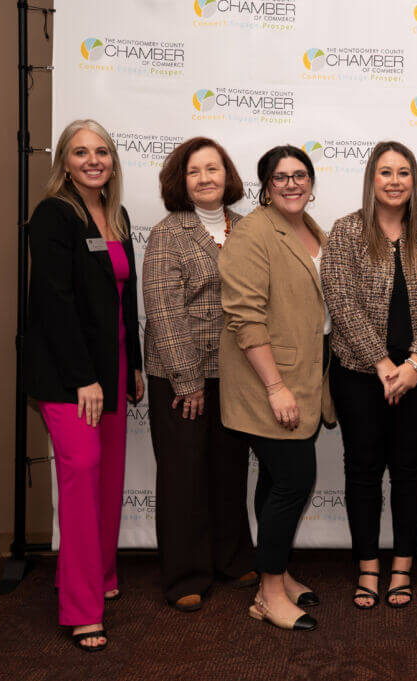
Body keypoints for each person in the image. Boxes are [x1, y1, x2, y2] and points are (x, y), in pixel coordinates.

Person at [24, 119, 144, 651]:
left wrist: (133, 364)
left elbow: (125, 299)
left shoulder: (116, 215)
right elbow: (55, 304)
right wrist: (83, 380)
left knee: (108, 478)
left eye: (101, 151)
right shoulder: (53, 214)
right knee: (81, 478)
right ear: (65, 163)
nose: (92, 160)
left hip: (112, 368)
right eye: (80, 152)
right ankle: (81, 608)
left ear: (113, 162)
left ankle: (101, 573)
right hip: (69, 376)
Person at [321, 140, 417, 609]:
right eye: (386, 172)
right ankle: (367, 567)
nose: (395, 181)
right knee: (362, 470)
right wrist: (381, 363)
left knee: (410, 469)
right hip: (360, 373)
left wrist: (414, 364)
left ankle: (402, 565)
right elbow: (339, 299)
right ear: (371, 179)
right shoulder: (346, 231)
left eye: (403, 172)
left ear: (414, 180)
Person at [218, 145, 334, 632]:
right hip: (268, 380)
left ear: (311, 182)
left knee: (273, 482)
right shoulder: (252, 232)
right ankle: (267, 594)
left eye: (300, 175)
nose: (292, 184)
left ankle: (279, 573)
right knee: (293, 481)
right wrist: (275, 387)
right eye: (281, 177)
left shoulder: (313, 229)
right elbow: (244, 316)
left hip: (307, 375)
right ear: (265, 186)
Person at [142, 137, 257, 613]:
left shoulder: (248, 228)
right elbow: (163, 311)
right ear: (181, 181)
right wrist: (188, 381)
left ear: (227, 176)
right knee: (184, 475)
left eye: (213, 169)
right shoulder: (168, 233)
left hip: (236, 373)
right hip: (180, 374)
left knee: (229, 470)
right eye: (194, 171)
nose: (206, 178)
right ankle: (185, 574)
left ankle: (231, 559)